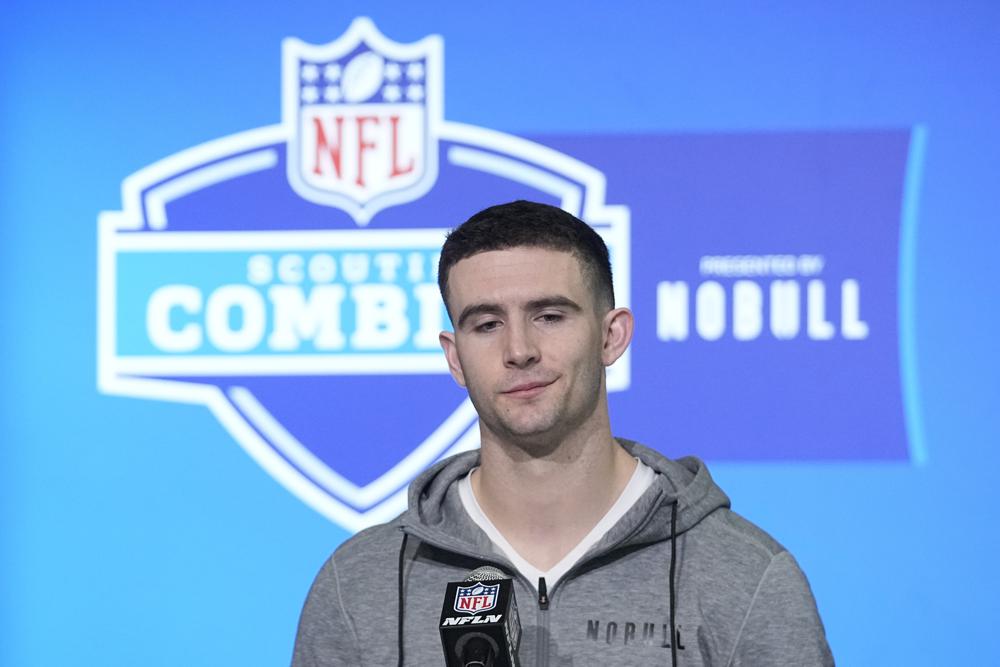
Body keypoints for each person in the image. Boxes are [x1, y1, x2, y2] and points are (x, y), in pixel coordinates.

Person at [292, 200, 834, 666]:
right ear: (455, 358)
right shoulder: (362, 584)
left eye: (549, 315)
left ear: (612, 336)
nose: (519, 350)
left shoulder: (742, 576)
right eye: (486, 324)